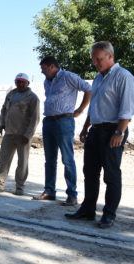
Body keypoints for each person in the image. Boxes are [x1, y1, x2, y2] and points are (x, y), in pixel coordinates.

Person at [65, 41, 134, 228]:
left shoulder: (124, 76)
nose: (95, 63)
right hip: (95, 130)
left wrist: (120, 131)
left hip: (113, 130)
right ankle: (88, 210)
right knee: (90, 172)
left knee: (111, 175)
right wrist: (86, 127)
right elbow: (93, 105)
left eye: (99, 59)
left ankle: (109, 214)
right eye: (94, 60)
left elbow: (127, 108)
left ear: (110, 56)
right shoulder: (97, 78)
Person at [33, 56, 92, 206]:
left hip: (64, 121)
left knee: (67, 159)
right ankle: (49, 191)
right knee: (50, 159)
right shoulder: (47, 81)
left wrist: (80, 109)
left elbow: (89, 89)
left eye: (44, 69)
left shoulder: (68, 76)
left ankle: (72, 195)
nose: (42, 72)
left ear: (52, 66)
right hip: (49, 122)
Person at [0, 73, 40, 195]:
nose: (20, 84)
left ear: (28, 83)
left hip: (23, 135)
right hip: (9, 133)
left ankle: (20, 187)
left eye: (22, 82)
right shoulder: (11, 94)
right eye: (18, 82)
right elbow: (4, 110)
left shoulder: (32, 98)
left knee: (22, 161)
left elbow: (35, 118)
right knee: (3, 159)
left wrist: (28, 135)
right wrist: (2, 123)